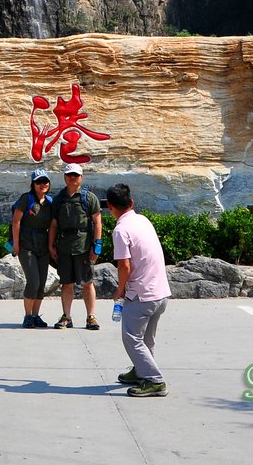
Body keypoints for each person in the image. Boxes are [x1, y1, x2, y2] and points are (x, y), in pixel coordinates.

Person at [108, 182, 170, 397]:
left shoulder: (120, 230)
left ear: (110, 207)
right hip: (160, 293)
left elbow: (124, 265)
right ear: (131, 202)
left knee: (131, 338)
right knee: (146, 339)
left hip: (142, 294)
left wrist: (120, 289)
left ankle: (154, 380)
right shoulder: (142, 220)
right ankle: (140, 371)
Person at [48, 162, 102, 330]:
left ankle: (91, 317)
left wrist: (97, 246)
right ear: (65, 177)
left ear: (81, 177)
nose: (73, 178)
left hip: (83, 246)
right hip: (64, 247)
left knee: (87, 282)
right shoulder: (58, 199)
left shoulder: (89, 197)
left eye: (76, 175)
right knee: (67, 283)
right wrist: (51, 245)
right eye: (70, 175)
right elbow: (54, 225)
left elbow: (97, 222)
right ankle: (66, 316)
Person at [10, 170, 54, 328]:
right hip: (26, 245)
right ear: (33, 184)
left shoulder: (49, 202)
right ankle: (27, 316)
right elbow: (16, 222)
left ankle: (36, 316)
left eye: (45, 181)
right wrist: (16, 244)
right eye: (39, 182)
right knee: (33, 281)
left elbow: (53, 225)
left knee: (41, 283)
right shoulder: (26, 199)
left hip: (42, 246)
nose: (43, 184)